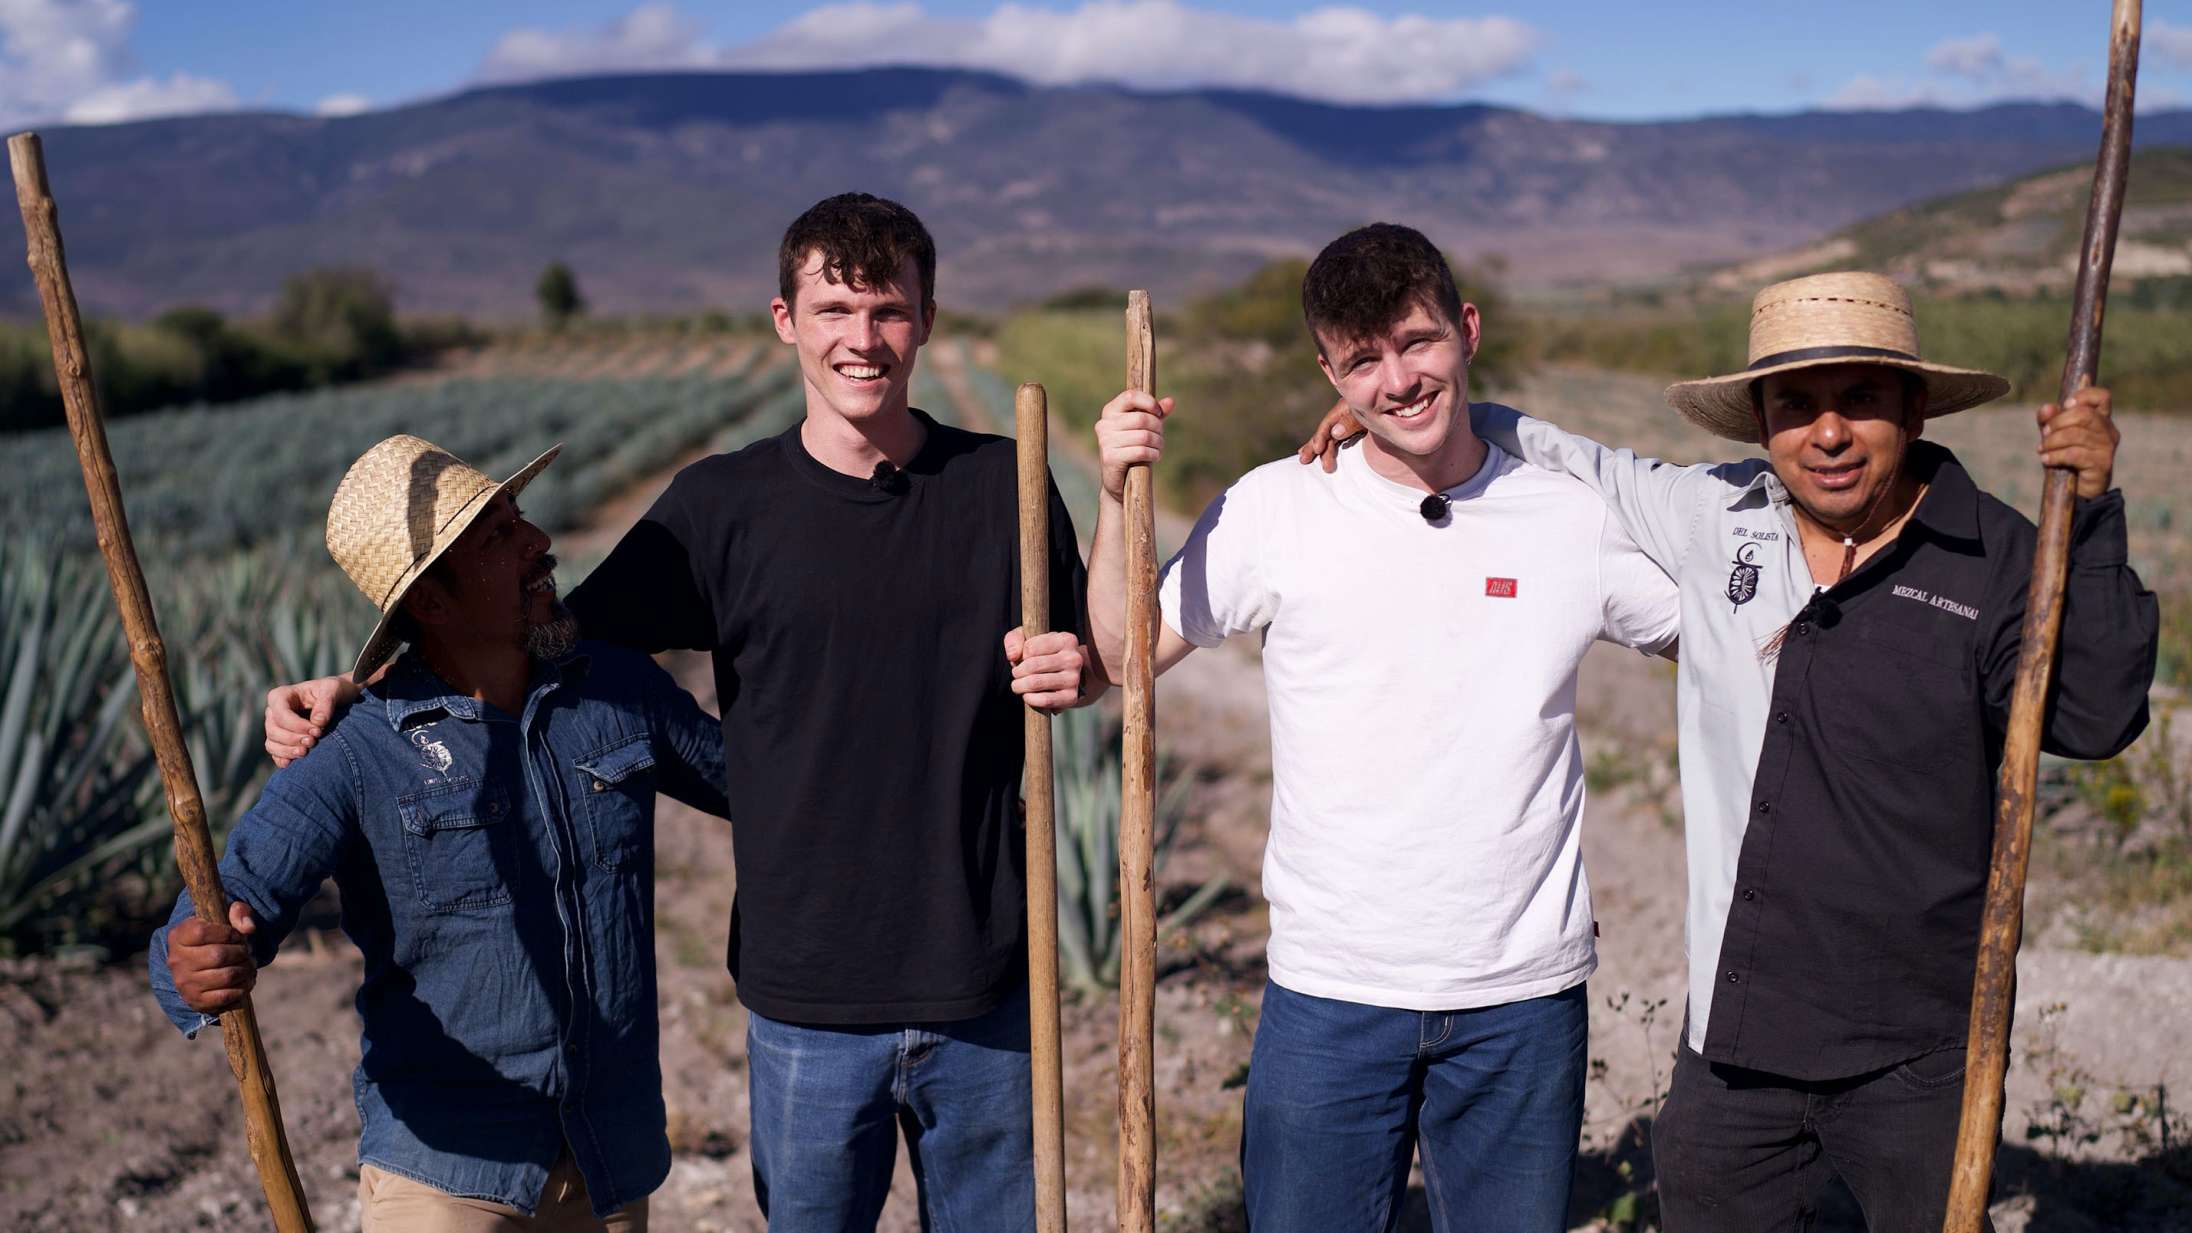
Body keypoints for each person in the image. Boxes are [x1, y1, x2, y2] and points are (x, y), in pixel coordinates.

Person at [263, 193, 1096, 1232]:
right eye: (833, 310)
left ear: (927, 319)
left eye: (886, 310)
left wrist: (1085, 655)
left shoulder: (1001, 485)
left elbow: (1090, 663)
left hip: (988, 979)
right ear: (784, 320)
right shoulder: (717, 508)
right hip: (807, 995)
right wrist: (368, 689)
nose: (861, 339)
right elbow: (541, 641)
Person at [1300, 271, 2160, 1231]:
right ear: (1760, 423)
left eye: (1861, 401)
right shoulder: (1718, 518)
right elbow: (1570, 453)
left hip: (1920, 1050)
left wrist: (2088, 516)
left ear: (1915, 408)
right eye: (1795, 406)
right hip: (1735, 1047)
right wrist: (1398, 423)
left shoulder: (1994, 556)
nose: (1826, 434)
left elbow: (2093, 716)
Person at [1086, 223, 1678, 1231]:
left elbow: (1730, 633)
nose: (1396, 379)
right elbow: (1120, 659)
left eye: (1417, 344)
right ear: (1328, 370)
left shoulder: (1565, 516)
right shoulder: (1276, 508)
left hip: (1518, 999)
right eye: (1362, 360)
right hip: (1329, 991)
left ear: (1468, 331)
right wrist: (1110, 493)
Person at [155, 435, 730, 1230]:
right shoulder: (357, 754)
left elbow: (762, 788)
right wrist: (198, 957)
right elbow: (229, 906)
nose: (539, 543)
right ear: (430, 601)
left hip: (608, 1166)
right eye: (498, 536)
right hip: (448, 1184)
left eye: (518, 516)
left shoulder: (619, 691)